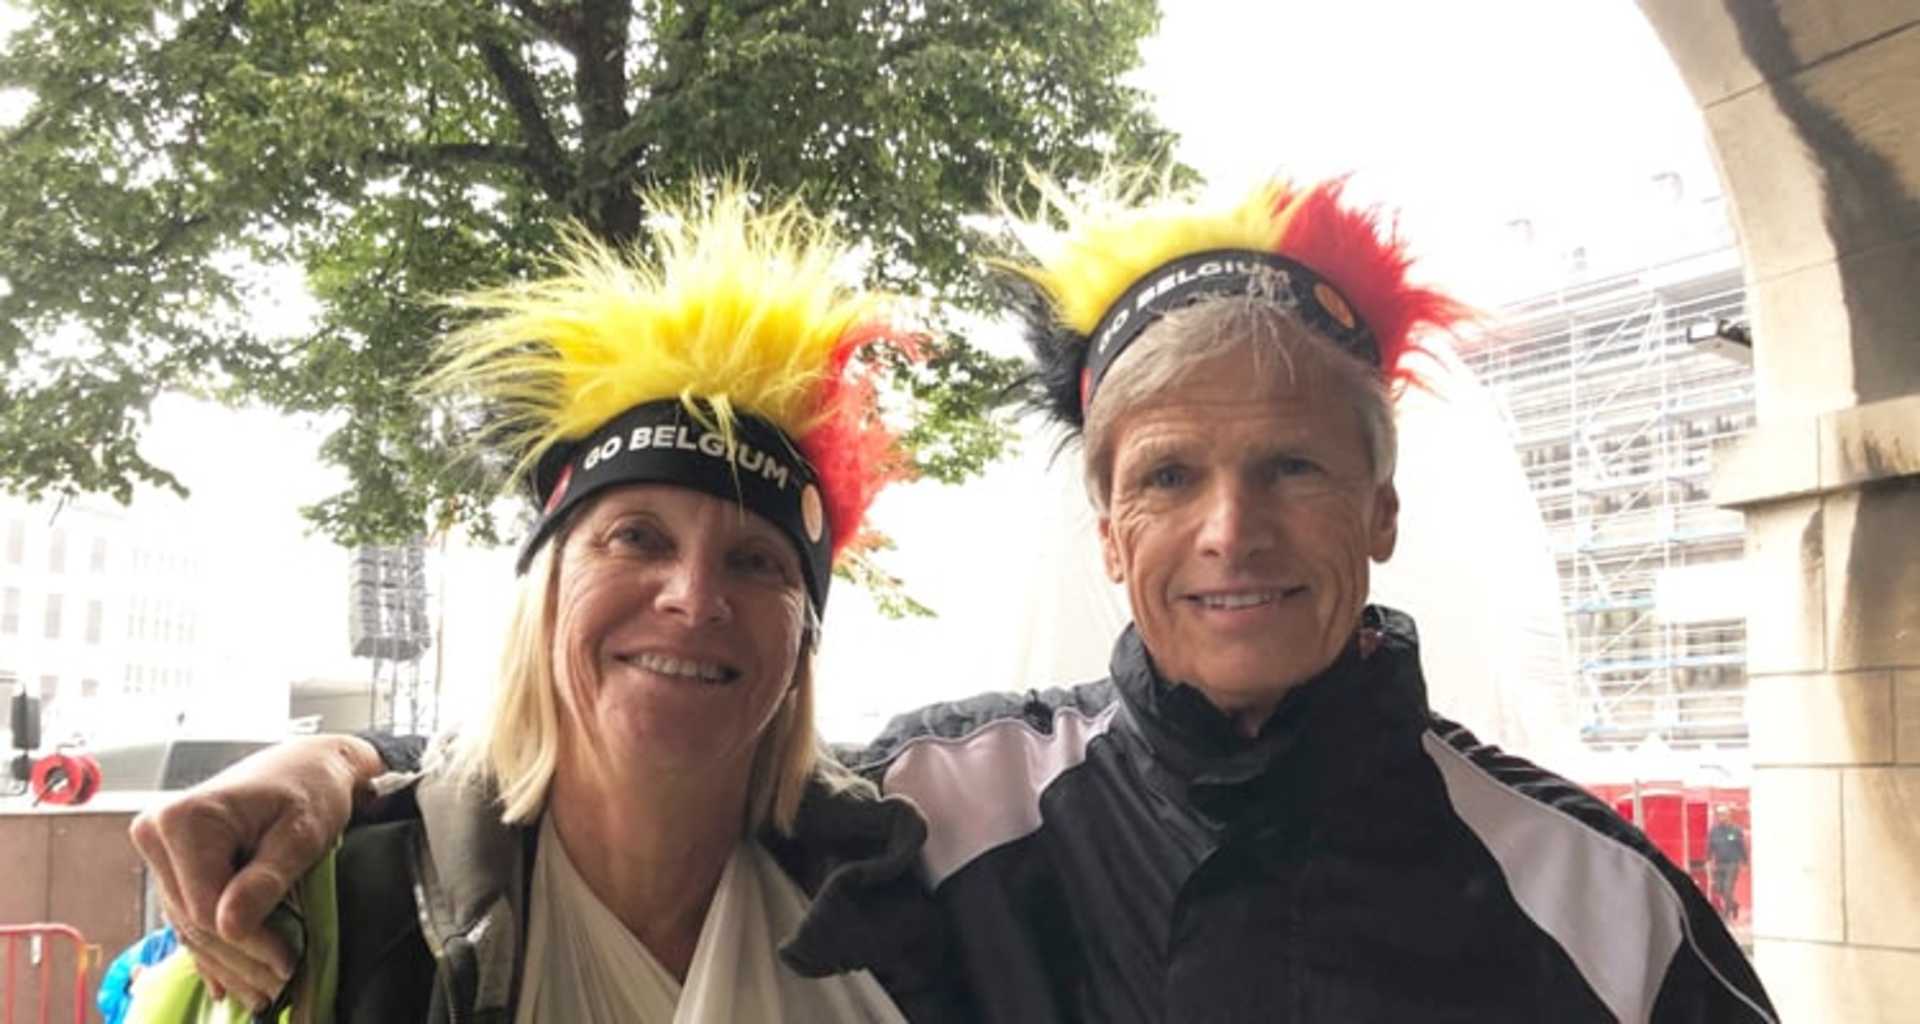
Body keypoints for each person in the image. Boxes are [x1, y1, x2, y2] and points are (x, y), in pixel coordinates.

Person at [134, 173, 1777, 1022]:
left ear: (1385, 508)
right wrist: (329, 769)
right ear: (1108, 524)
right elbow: (626, 758)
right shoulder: (930, 807)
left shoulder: (1601, 897)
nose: (1231, 531)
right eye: (1170, 476)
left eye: (1291, 466)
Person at [127, 187, 954, 1022]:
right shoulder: (335, 924)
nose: (695, 597)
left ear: (802, 642)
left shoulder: (910, 905)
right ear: (546, 590)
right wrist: (340, 760)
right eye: (637, 537)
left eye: (757, 562)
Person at [1708, 804, 1749, 922]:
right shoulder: (1714, 831)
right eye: (1719, 815)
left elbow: (1741, 846)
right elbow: (1710, 846)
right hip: (1719, 863)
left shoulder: (1736, 830)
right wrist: (1708, 859)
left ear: (1728, 815)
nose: (1721, 817)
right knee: (1719, 888)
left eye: (1724, 814)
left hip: (1732, 863)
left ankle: (1726, 915)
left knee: (1727, 889)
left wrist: (1745, 861)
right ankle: (1734, 905)